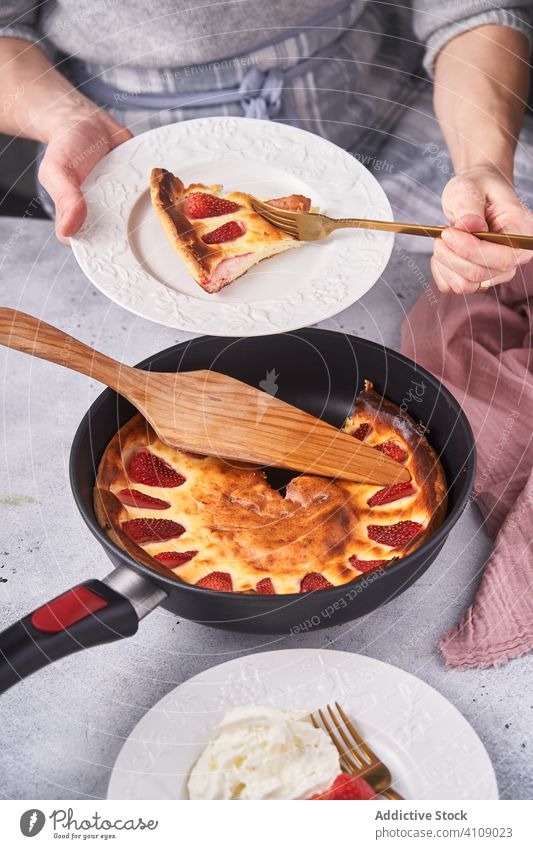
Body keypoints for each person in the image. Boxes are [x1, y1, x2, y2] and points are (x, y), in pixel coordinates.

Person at [0, 1, 532, 294]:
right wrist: (64, 118)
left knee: (509, 234)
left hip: (380, 97)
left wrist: (481, 162)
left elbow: (471, 10)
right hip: (128, 135)